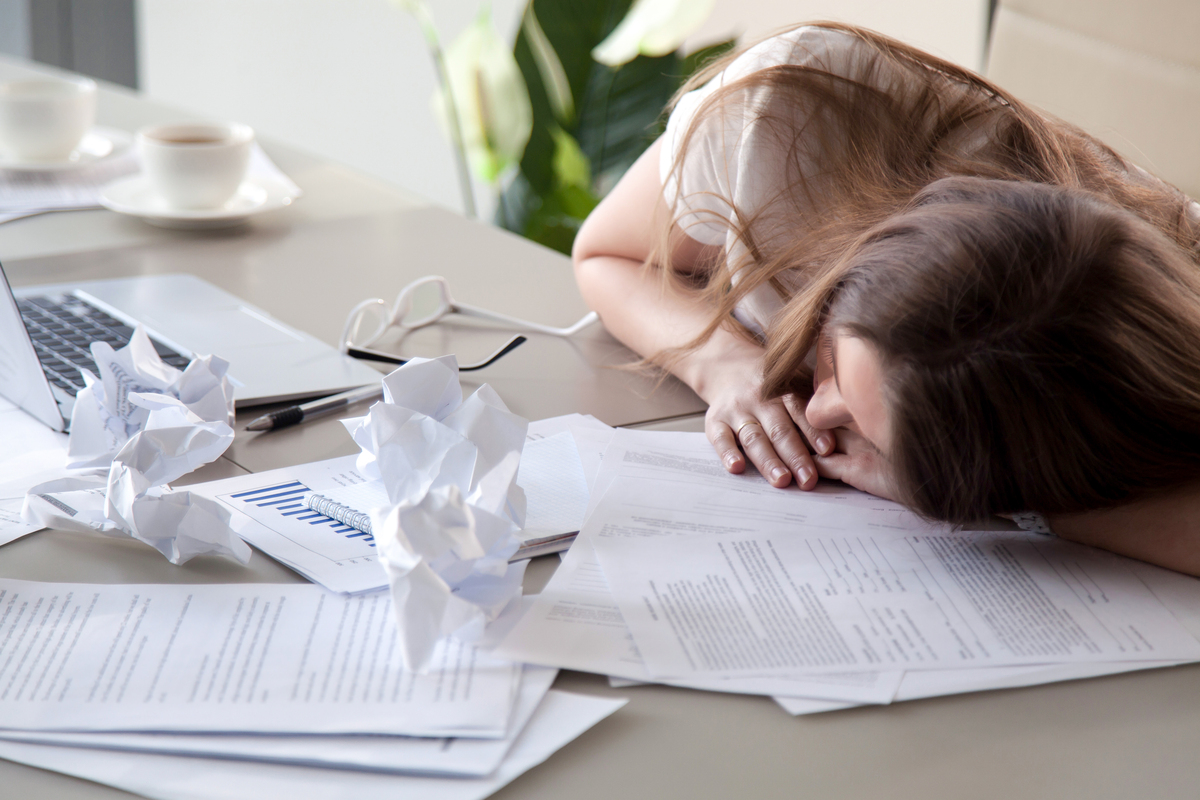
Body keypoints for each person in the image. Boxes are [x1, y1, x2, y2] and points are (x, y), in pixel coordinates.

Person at [571, 23, 1200, 575]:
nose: (815, 417)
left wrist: (1020, 502)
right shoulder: (786, 120)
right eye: (833, 359)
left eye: (870, 433)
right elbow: (604, 255)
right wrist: (730, 366)